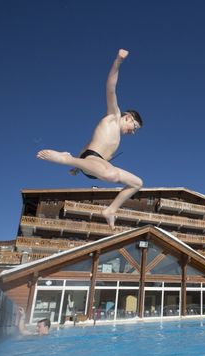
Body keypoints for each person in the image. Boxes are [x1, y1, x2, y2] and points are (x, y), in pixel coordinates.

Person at [37, 48, 143, 230]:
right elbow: (111, 87)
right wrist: (118, 61)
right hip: (91, 159)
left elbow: (88, 143)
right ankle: (65, 158)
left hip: (95, 162)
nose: (131, 132)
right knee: (110, 174)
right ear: (128, 117)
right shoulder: (113, 115)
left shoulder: (117, 137)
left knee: (137, 183)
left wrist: (76, 169)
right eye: (133, 128)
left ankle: (110, 210)